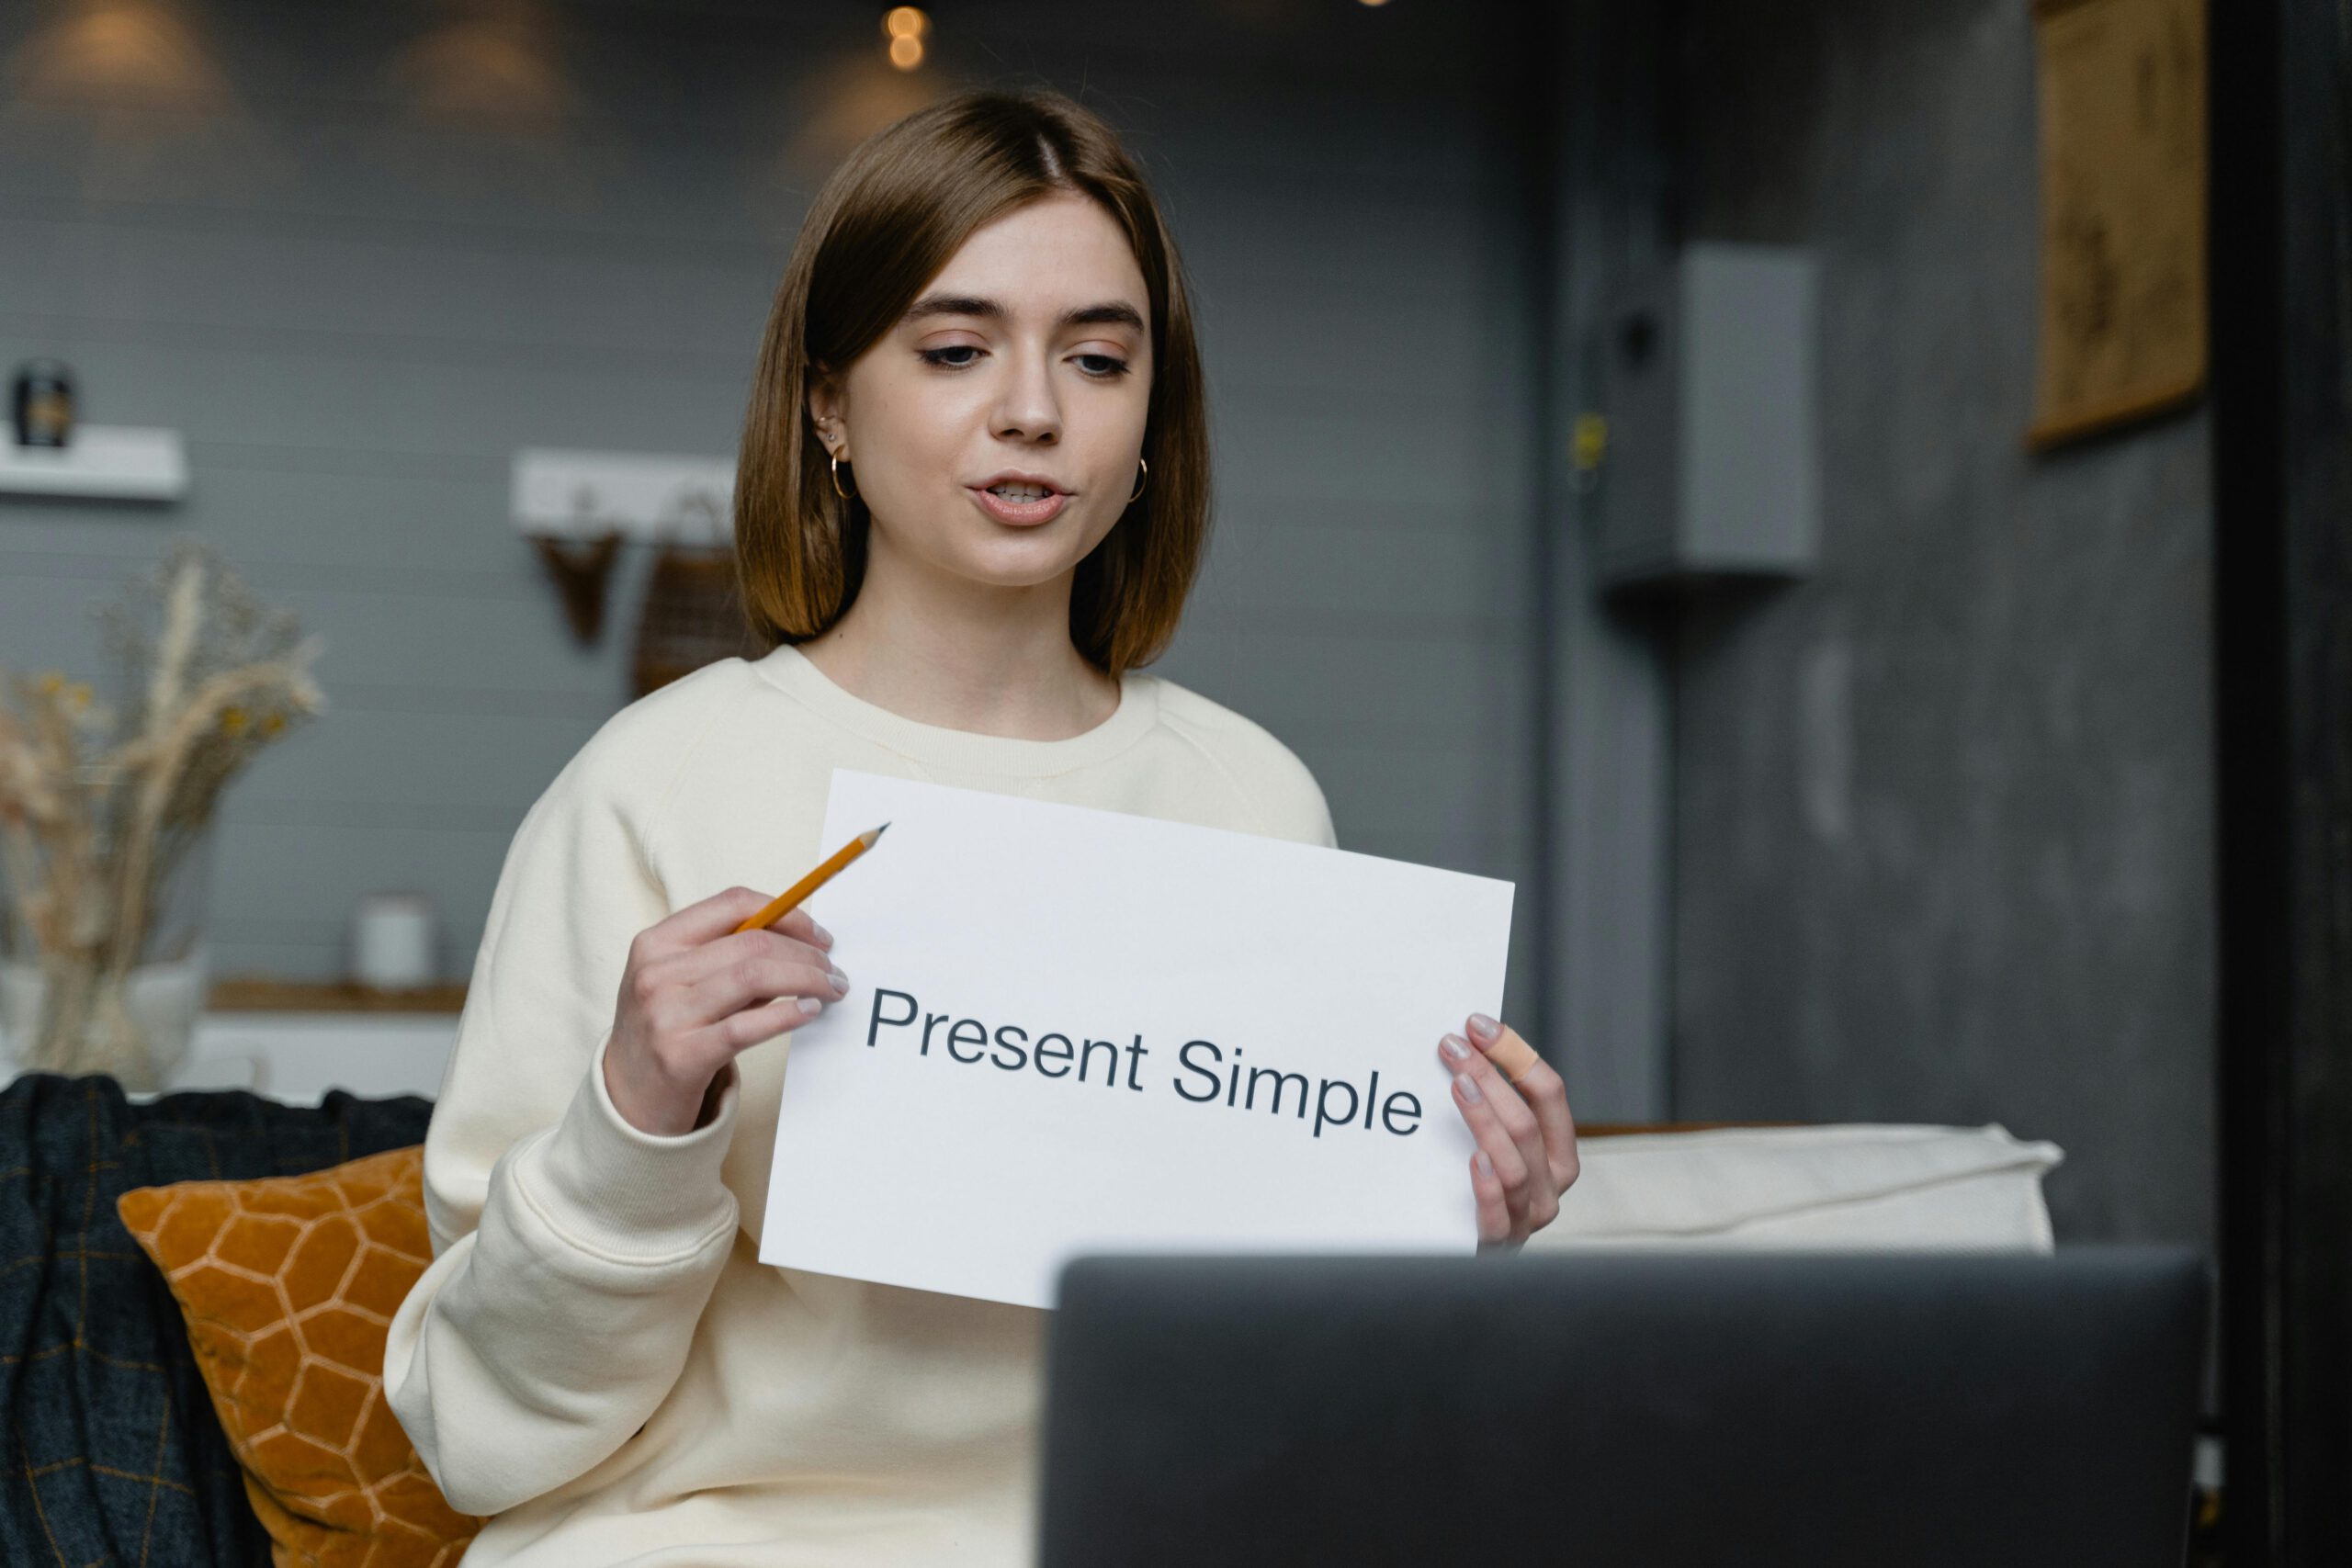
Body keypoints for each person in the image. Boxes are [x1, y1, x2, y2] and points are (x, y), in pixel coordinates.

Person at [381, 85, 1579, 1567]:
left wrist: (1451, 1232)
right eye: (955, 350)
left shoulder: (1252, 801)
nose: (1034, 409)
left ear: (1152, 419)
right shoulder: (650, 790)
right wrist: (636, 1118)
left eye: (1098, 357)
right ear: (828, 403)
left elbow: (1297, 1379)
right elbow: (481, 1441)